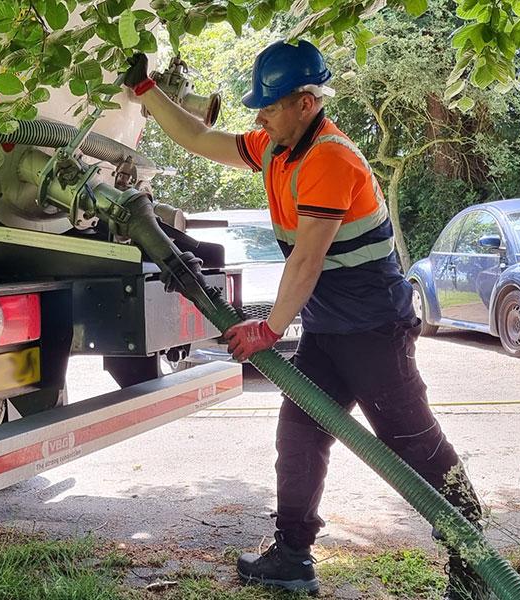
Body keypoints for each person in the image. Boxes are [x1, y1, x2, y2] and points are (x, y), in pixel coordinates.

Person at [124, 40, 489, 599]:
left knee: (410, 442)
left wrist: (269, 328)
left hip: (373, 330)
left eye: (269, 106)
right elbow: (198, 138)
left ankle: (477, 563)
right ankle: (292, 555)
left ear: (306, 101)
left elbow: (307, 257)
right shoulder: (277, 147)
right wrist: (148, 94)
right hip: (326, 328)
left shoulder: (330, 158)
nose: (259, 116)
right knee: (299, 434)